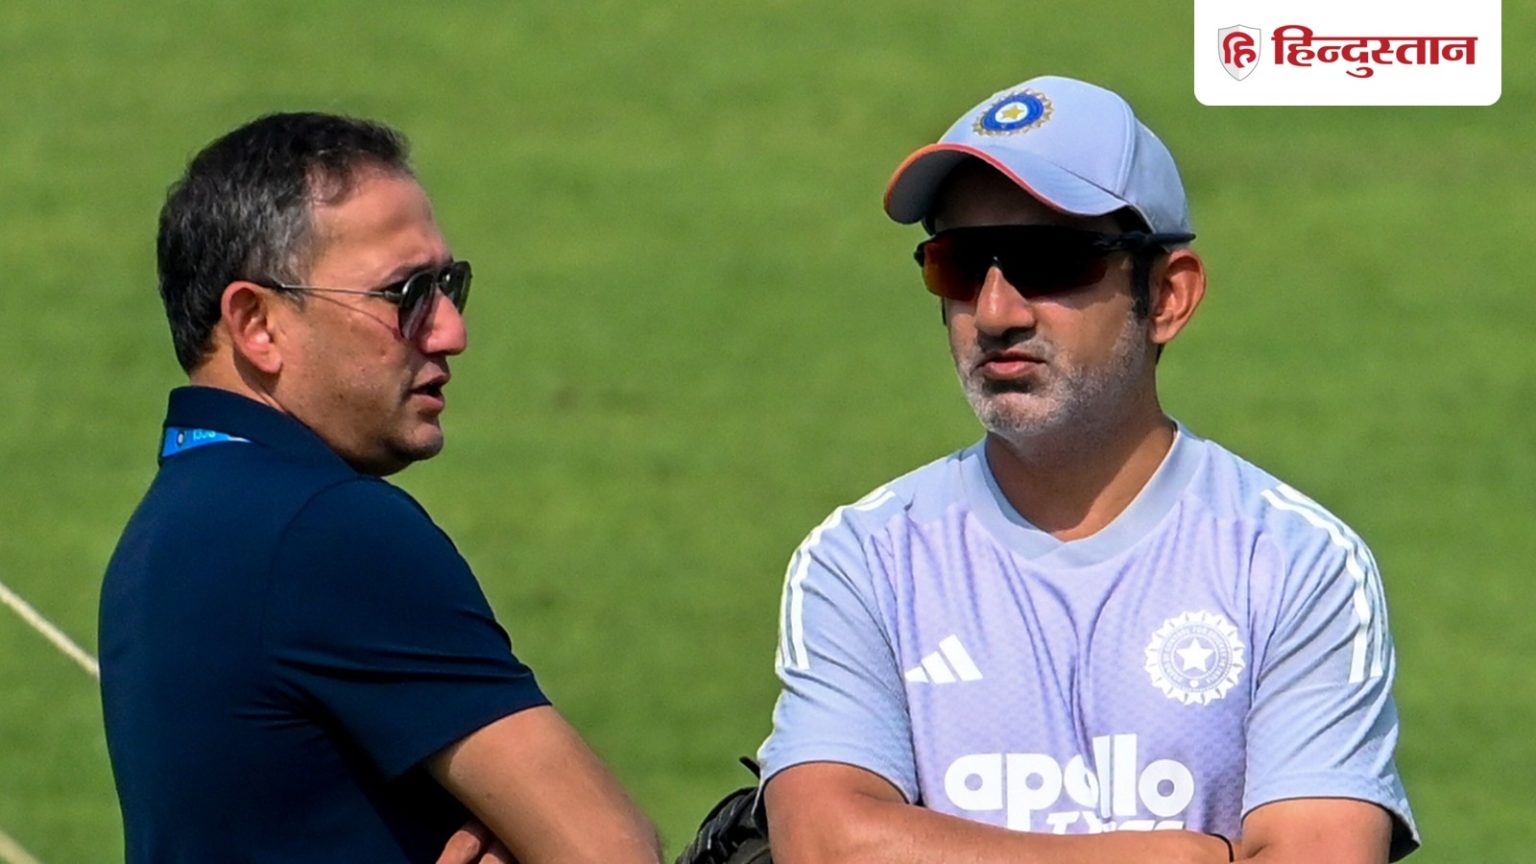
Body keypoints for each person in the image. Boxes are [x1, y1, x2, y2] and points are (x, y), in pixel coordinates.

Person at [756, 76, 1419, 863]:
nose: (996, 312)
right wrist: (1165, 857)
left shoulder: (1294, 560)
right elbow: (826, 844)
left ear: (1167, 296)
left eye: (1049, 261)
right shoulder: (865, 557)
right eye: (959, 265)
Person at [99, 112, 661, 864]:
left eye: (449, 285)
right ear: (257, 322)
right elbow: (610, 853)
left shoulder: (165, 529)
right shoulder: (325, 529)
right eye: (407, 293)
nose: (451, 331)